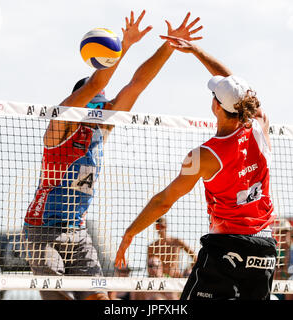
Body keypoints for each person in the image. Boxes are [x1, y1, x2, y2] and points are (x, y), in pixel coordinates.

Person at [22, 11, 203, 300]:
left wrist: (169, 46)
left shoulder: (101, 129)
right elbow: (93, 85)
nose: (103, 107)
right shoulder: (60, 128)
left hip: (76, 231)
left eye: (104, 103)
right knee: (56, 295)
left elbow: (137, 84)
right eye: (97, 103)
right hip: (41, 230)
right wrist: (124, 45)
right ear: (80, 103)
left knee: (101, 300)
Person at [116, 35, 276, 300]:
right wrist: (199, 51)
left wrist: (130, 232)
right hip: (265, 247)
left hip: (227, 247)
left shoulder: (203, 156)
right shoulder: (260, 126)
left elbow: (164, 201)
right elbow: (242, 95)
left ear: (216, 106)